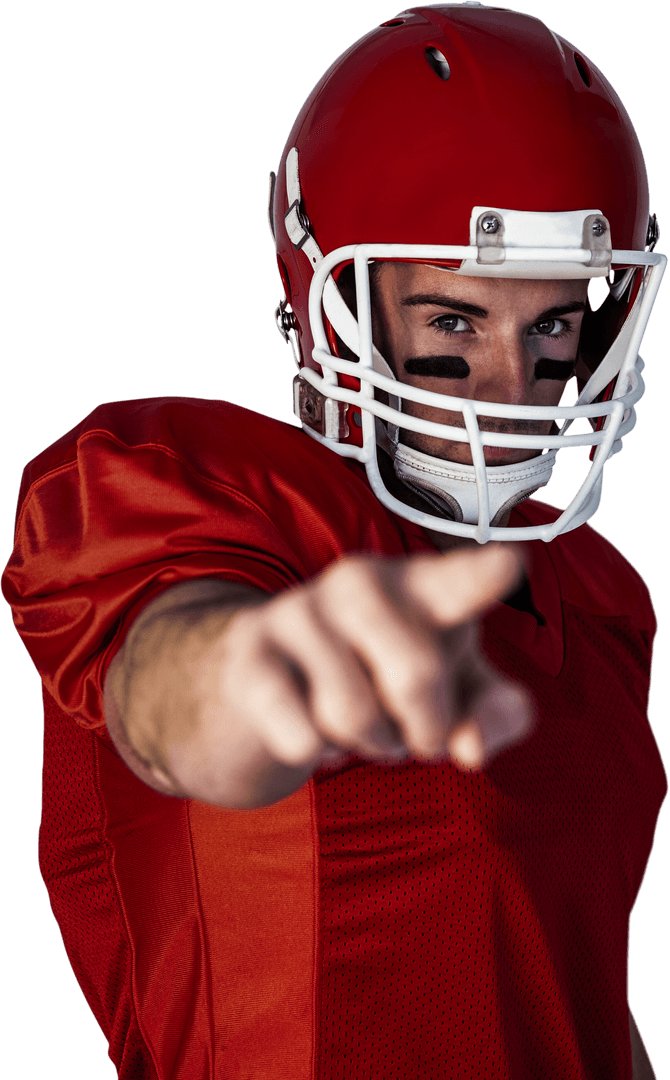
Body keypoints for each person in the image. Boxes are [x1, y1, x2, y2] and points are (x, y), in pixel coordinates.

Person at [2, 4, 667, 1078]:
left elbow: (571, 977)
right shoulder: (210, 492)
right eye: (454, 320)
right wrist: (258, 675)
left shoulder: (600, 594)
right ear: (333, 298)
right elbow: (167, 693)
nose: (512, 384)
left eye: (550, 322)